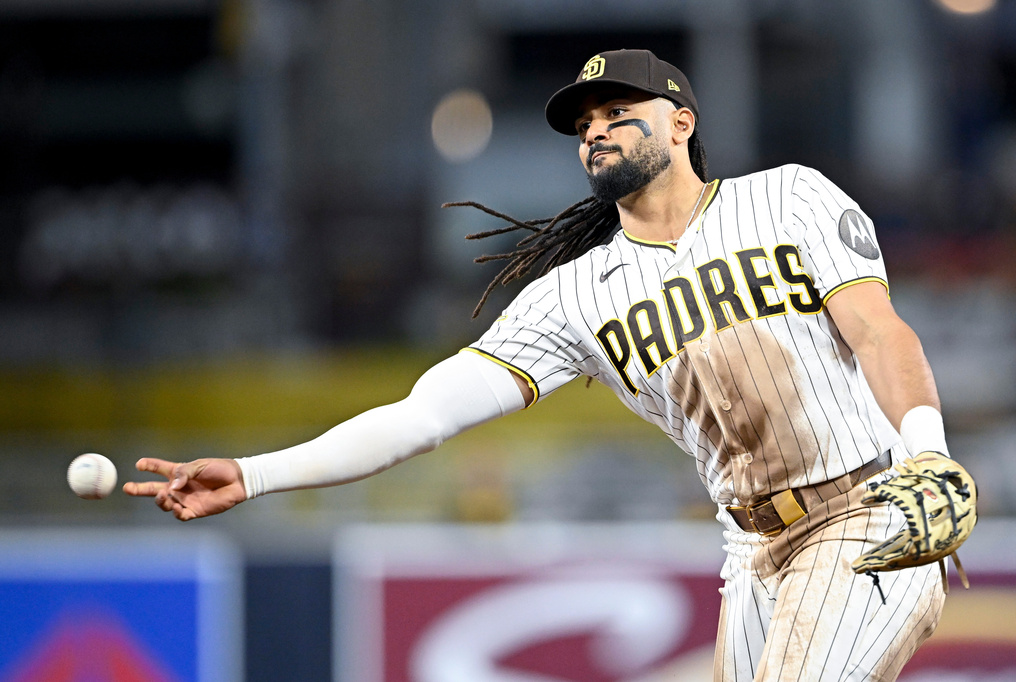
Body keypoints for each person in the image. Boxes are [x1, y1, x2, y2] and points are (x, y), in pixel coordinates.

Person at [126, 49, 965, 681]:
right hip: (749, 553)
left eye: (617, 109)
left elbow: (881, 333)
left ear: (682, 121)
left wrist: (927, 448)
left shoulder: (788, 197)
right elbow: (422, 415)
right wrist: (254, 472)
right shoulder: (573, 297)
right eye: (582, 123)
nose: (595, 128)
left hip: (867, 509)